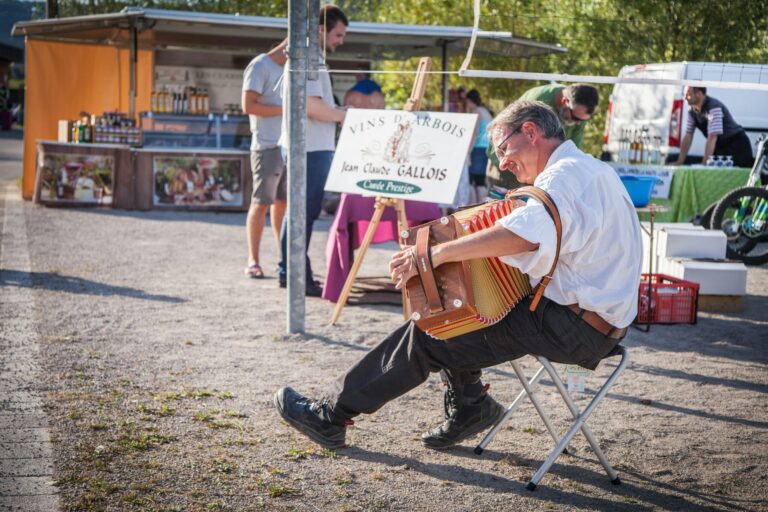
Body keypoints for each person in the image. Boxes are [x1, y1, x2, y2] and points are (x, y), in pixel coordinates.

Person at [273, 100, 642, 450]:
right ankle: (471, 406)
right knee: (456, 310)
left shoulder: (563, 177)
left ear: (530, 132)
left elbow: (525, 236)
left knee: (430, 332)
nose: (503, 162)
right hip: (595, 321)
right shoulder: (590, 169)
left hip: (573, 327)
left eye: (503, 149)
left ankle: (331, 415)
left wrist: (436, 254)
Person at [277, 4, 348, 295]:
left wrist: (340, 112)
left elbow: (316, 105)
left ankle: (293, 272)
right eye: (338, 34)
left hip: (309, 145)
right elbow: (311, 106)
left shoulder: (308, 55)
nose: (341, 41)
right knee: (302, 214)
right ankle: (294, 275)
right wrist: (346, 116)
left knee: (300, 213)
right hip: (309, 147)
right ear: (321, 29)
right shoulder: (308, 56)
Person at [486, 83, 599, 192]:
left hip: (535, 171)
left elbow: (574, 147)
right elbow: (504, 132)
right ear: (565, 101)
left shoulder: (578, 111)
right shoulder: (539, 99)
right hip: (509, 167)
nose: (578, 123)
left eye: (583, 120)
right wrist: (505, 160)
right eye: (575, 118)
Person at [242, 39, 288, 278]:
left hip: (287, 146)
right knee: (260, 203)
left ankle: (283, 258)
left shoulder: (288, 68)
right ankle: (253, 260)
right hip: (266, 145)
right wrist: (288, 109)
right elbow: (248, 105)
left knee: (282, 203)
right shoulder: (260, 65)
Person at [673, 86, 754, 168]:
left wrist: (704, 164)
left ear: (699, 94)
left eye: (688, 95)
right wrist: (679, 161)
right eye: (684, 94)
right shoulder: (691, 111)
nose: (685, 98)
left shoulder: (713, 106)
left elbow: (712, 136)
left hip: (737, 146)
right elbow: (688, 135)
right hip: (720, 146)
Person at [465, 89, 493, 203]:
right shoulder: (485, 111)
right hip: (486, 148)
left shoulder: (476, 112)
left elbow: (474, 133)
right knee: (480, 181)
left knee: (472, 181)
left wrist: (468, 152)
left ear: (469, 100)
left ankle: (475, 207)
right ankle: (480, 207)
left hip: (477, 149)